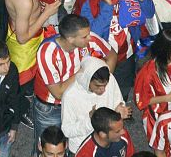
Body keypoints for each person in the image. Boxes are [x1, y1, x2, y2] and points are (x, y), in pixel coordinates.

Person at [34, 15, 115, 149]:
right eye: (84, 37)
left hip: (80, 100)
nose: (90, 38)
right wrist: (83, 72)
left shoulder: (90, 39)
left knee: (78, 141)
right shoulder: (47, 52)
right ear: (70, 39)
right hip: (52, 108)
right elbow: (58, 93)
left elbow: (111, 56)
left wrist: (102, 82)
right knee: (49, 147)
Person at [2, 0, 60, 99]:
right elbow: (22, 38)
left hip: (27, 28)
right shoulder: (24, 0)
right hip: (25, 48)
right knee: (24, 79)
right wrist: (46, 13)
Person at [61, 56, 128, 153]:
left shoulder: (110, 80)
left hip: (109, 141)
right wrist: (90, 121)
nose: (103, 89)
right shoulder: (70, 95)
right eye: (98, 86)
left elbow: (118, 102)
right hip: (82, 148)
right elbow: (67, 130)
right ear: (87, 80)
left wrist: (119, 111)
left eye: (105, 85)